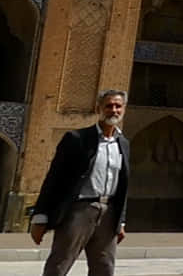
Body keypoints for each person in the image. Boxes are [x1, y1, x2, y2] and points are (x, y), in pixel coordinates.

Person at [30, 90, 131, 276]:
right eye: (109, 106)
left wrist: (121, 221)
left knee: (104, 267)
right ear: (98, 108)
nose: (114, 110)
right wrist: (40, 217)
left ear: (124, 109)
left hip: (108, 214)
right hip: (78, 210)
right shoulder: (77, 139)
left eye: (118, 106)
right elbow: (54, 178)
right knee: (60, 264)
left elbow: (122, 185)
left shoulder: (122, 143)